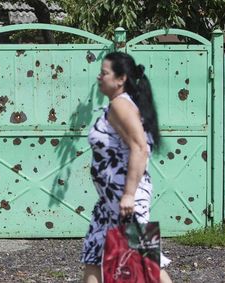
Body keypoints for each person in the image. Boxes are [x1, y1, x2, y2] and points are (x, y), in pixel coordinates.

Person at [80, 51, 173, 283]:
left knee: (149, 262)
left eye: (104, 73)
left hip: (125, 201)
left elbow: (140, 148)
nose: (99, 77)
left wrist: (129, 195)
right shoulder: (117, 105)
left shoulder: (121, 105)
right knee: (93, 255)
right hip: (109, 202)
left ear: (121, 79)